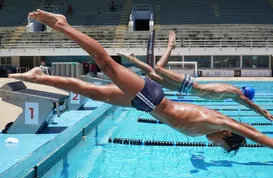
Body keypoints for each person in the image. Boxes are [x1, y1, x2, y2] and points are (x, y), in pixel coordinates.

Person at [10, 9, 273, 154]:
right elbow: (254, 134)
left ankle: (41, 77)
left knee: (92, 91)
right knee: (106, 63)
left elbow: (248, 125)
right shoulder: (220, 123)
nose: (215, 144)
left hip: (147, 102)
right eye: (221, 144)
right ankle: (62, 24)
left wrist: (258, 113)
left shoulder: (212, 126)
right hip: (151, 98)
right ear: (228, 134)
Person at [117, 31, 273, 121]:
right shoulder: (236, 93)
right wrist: (265, 113)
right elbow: (250, 105)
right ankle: (171, 45)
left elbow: (246, 104)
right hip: (190, 85)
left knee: (153, 76)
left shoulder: (232, 94)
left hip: (187, 89)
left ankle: (132, 58)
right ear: (246, 94)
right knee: (159, 67)